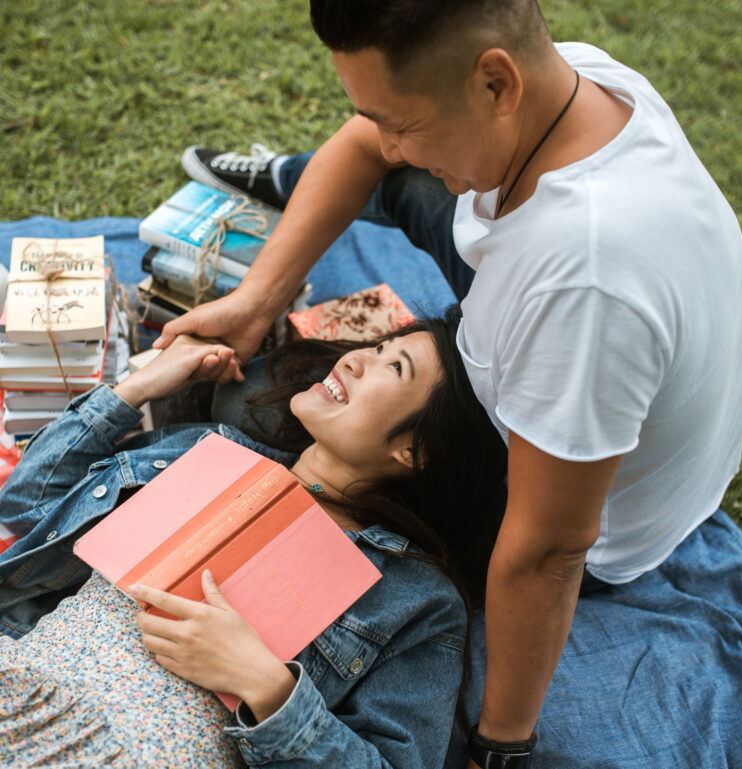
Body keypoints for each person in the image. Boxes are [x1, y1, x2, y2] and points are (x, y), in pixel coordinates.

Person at [160, 1, 742, 766]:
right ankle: (287, 178)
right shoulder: (574, 86)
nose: (385, 139)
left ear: (495, 82)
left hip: (596, 511)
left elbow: (550, 550)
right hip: (569, 346)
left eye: (401, 121)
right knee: (406, 185)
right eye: (375, 113)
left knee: (253, 402)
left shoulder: (583, 288)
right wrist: (258, 300)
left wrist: (501, 744)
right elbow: (366, 148)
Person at [0, 315, 508, 768]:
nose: (354, 360)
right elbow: (27, 506)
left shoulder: (417, 598)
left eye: (394, 367)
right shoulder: (209, 452)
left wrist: (267, 686)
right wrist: (139, 386)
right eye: (375, 347)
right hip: (21, 685)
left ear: (415, 450)